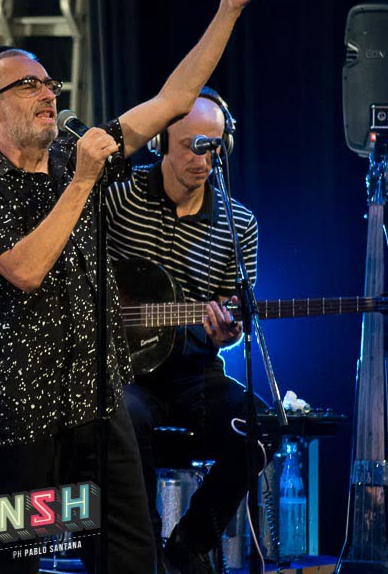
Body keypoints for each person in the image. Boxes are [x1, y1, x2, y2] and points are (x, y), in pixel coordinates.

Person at [0, 0, 274, 574]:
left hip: (98, 407)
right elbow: (25, 270)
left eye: (50, 82)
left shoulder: (73, 157)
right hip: (28, 421)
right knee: (22, 559)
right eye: (28, 85)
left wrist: (228, 10)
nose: (47, 92)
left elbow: (173, 100)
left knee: (128, 557)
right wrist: (81, 182)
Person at [104, 89, 261, 574]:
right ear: (159, 142)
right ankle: (144, 549)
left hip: (194, 373)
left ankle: (189, 545)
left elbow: (233, 320)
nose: (204, 159)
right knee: (123, 416)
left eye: (214, 147)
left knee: (260, 427)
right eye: (193, 145)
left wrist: (226, 334)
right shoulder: (118, 200)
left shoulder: (239, 223)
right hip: (128, 373)